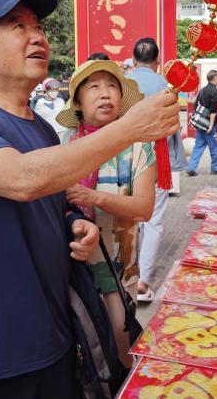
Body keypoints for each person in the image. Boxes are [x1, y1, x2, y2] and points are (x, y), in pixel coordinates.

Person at [0, 0, 179, 399]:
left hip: (55, 335)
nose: (38, 36)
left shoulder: (42, 131)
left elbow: (48, 197)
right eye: (18, 26)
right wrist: (130, 128)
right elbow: (23, 179)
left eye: (40, 27)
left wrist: (71, 223)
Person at [58, 60, 156, 366]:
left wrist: (93, 196)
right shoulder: (64, 147)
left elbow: (144, 207)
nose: (105, 94)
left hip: (117, 271)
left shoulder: (137, 148)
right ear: (77, 101)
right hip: (71, 272)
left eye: (112, 86)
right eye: (94, 86)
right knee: (81, 351)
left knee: (118, 346)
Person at [125, 37, 186, 303]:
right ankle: (143, 280)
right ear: (158, 61)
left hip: (124, 157)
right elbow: (174, 128)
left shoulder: (123, 83)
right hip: (156, 160)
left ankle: (124, 273)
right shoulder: (167, 87)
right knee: (153, 220)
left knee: (127, 217)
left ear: (134, 58)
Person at [187, 70, 217, 176]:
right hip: (209, 125)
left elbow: (195, 105)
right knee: (215, 146)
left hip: (200, 124)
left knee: (198, 145)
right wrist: (211, 125)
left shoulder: (202, 90)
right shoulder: (216, 92)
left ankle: (191, 167)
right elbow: (213, 111)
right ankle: (216, 169)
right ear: (215, 78)